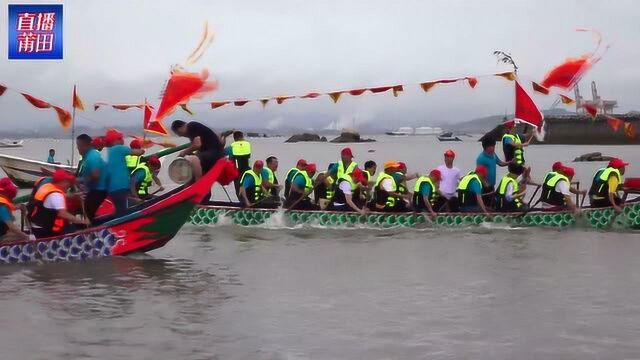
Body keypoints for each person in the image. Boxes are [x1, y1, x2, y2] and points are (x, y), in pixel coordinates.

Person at [28, 170, 90, 239]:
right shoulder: (56, 195)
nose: (69, 185)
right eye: (68, 182)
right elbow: (63, 214)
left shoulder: (47, 186)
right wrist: (82, 221)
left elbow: (55, 198)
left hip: (36, 223)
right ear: (63, 181)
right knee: (72, 229)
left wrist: (73, 196)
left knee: (70, 226)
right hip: (44, 229)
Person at [104, 129, 145, 215]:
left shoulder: (107, 151)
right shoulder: (119, 148)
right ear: (115, 141)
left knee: (118, 210)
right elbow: (138, 152)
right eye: (120, 138)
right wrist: (143, 148)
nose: (122, 140)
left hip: (110, 189)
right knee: (123, 212)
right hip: (121, 187)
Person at [76, 134, 108, 221]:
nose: (77, 148)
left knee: (85, 216)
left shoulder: (93, 156)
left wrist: (80, 180)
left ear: (85, 146)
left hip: (98, 191)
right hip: (92, 190)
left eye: (78, 145)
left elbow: (95, 175)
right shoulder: (87, 157)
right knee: (81, 213)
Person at [226, 131, 252, 196]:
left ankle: (242, 202)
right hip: (247, 170)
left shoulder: (232, 147)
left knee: (238, 189)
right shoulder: (247, 144)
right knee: (247, 188)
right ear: (242, 137)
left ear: (234, 138)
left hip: (237, 171)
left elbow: (223, 154)